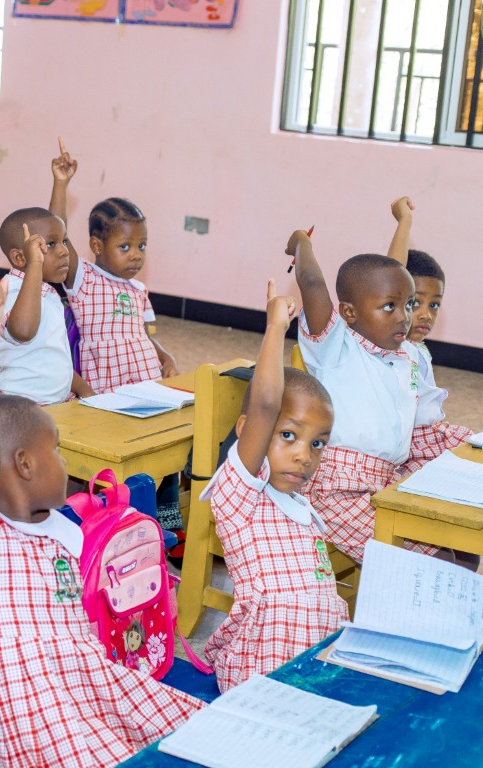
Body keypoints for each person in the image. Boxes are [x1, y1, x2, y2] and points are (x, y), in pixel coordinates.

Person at [0, 233, 203, 767]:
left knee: (193, 726)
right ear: (25, 465)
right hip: (24, 699)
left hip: (83, 674)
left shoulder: (62, 529)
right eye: (54, 451)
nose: (65, 463)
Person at [202, 280, 348, 692]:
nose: (305, 455)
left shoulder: (304, 509)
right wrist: (274, 329)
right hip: (262, 670)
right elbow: (265, 404)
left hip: (314, 662)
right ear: (250, 431)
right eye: (289, 435)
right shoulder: (240, 495)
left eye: (317, 443)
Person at [291, 230, 455, 562]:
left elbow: (424, 426)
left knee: (458, 547)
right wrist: (299, 243)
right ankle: (397, 611)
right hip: (336, 493)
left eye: (407, 304)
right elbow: (310, 281)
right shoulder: (335, 348)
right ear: (349, 313)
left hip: (386, 483)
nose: (404, 316)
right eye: (389, 307)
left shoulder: (405, 356)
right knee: (429, 562)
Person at [51, 139, 177, 394]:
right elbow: (56, 234)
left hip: (146, 379)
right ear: (97, 246)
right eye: (125, 247)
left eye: (141, 246)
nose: (136, 255)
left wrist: (165, 357)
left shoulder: (138, 289)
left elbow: (143, 335)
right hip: (106, 388)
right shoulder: (84, 279)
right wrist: (61, 184)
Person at [385, 195, 473, 476]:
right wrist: (405, 223)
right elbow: (390, 280)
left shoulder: (419, 349)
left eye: (434, 304)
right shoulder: (391, 346)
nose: (425, 314)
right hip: (409, 443)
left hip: (431, 435)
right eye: (414, 302)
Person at [0, 206, 94, 404]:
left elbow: (53, 356)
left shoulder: (48, 294)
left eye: (64, 241)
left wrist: (86, 391)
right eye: (50, 244)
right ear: (20, 257)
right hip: (19, 409)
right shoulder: (9, 292)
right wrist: (34, 266)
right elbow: (23, 330)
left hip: (56, 404)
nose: (64, 251)